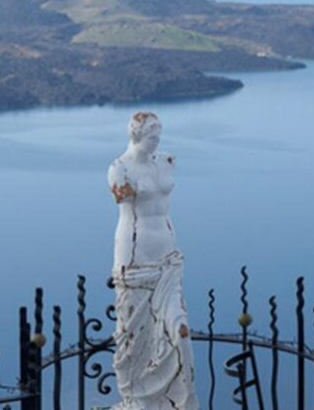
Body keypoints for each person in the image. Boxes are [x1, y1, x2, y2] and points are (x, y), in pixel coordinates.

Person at [109, 112, 200, 410]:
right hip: (135, 260)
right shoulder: (119, 169)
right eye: (151, 137)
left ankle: (180, 402)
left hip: (168, 259)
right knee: (134, 335)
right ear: (136, 136)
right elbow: (123, 199)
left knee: (179, 330)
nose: (157, 142)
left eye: (159, 137)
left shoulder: (166, 161)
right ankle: (138, 400)